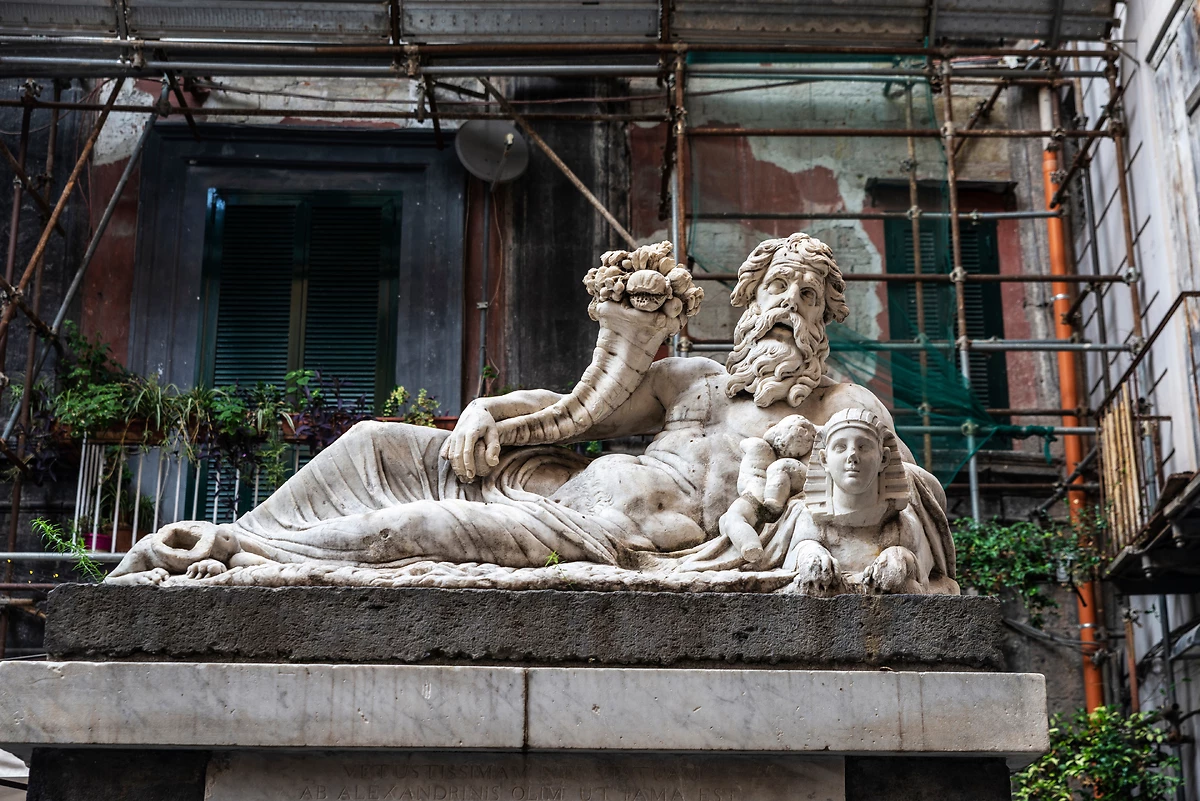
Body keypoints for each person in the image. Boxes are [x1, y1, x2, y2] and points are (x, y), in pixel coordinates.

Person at [108, 232, 953, 590]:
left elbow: (903, 497)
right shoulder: (694, 376)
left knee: (421, 531)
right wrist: (489, 407)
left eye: (807, 294)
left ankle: (227, 547)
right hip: (547, 481)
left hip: (602, 538)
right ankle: (242, 532)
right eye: (775, 288)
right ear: (748, 299)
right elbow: (577, 404)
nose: (787, 305)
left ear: (825, 315)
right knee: (374, 442)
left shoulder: (849, 406)